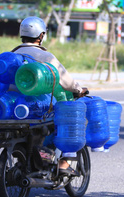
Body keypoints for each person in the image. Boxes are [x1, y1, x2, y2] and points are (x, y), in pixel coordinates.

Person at [12, 16, 88, 174]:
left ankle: (38, 159)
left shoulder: (10, 55)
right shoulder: (45, 57)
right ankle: (60, 164)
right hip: (39, 107)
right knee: (64, 125)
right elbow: (65, 79)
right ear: (40, 36)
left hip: (13, 109)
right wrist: (79, 90)